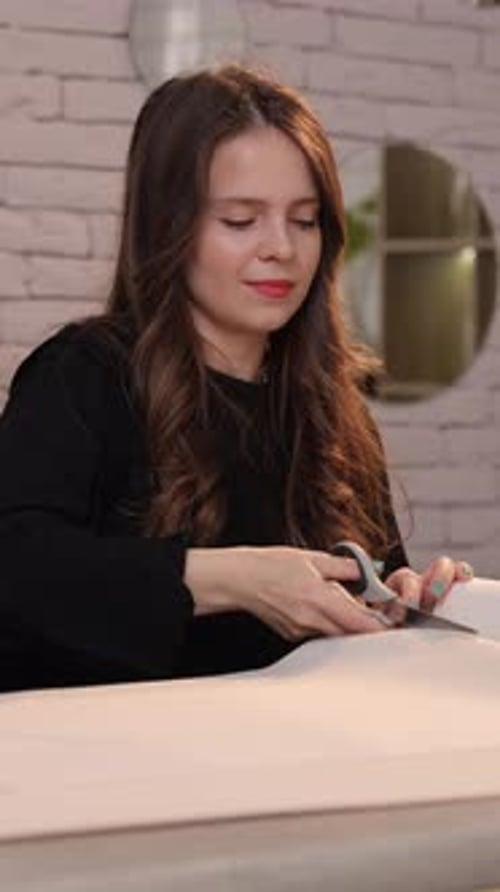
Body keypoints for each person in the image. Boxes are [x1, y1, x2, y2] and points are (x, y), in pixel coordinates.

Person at [0, 65, 473, 693]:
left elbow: (368, 607)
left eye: (304, 220)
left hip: (289, 773)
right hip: (110, 774)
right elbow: (19, 568)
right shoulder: (83, 375)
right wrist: (235, 579)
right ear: (170, 227)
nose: (281, 248)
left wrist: (403, 601)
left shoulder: (334, 404)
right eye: (241, 220)